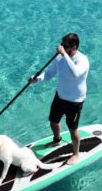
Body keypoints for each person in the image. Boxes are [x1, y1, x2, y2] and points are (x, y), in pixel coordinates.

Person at [29, 33, 89, 165]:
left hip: (75, 101)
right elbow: (49, 74)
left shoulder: (82, 60)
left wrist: (64, 55)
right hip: (60, 96)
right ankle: (57, 140)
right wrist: (36, 79)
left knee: (73, 129)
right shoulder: (60, 58)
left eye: (65, 45)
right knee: (53, 121)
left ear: (73, 47)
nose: (61, 47)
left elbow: (75, 74)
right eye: (61, 44)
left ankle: (76, 154)